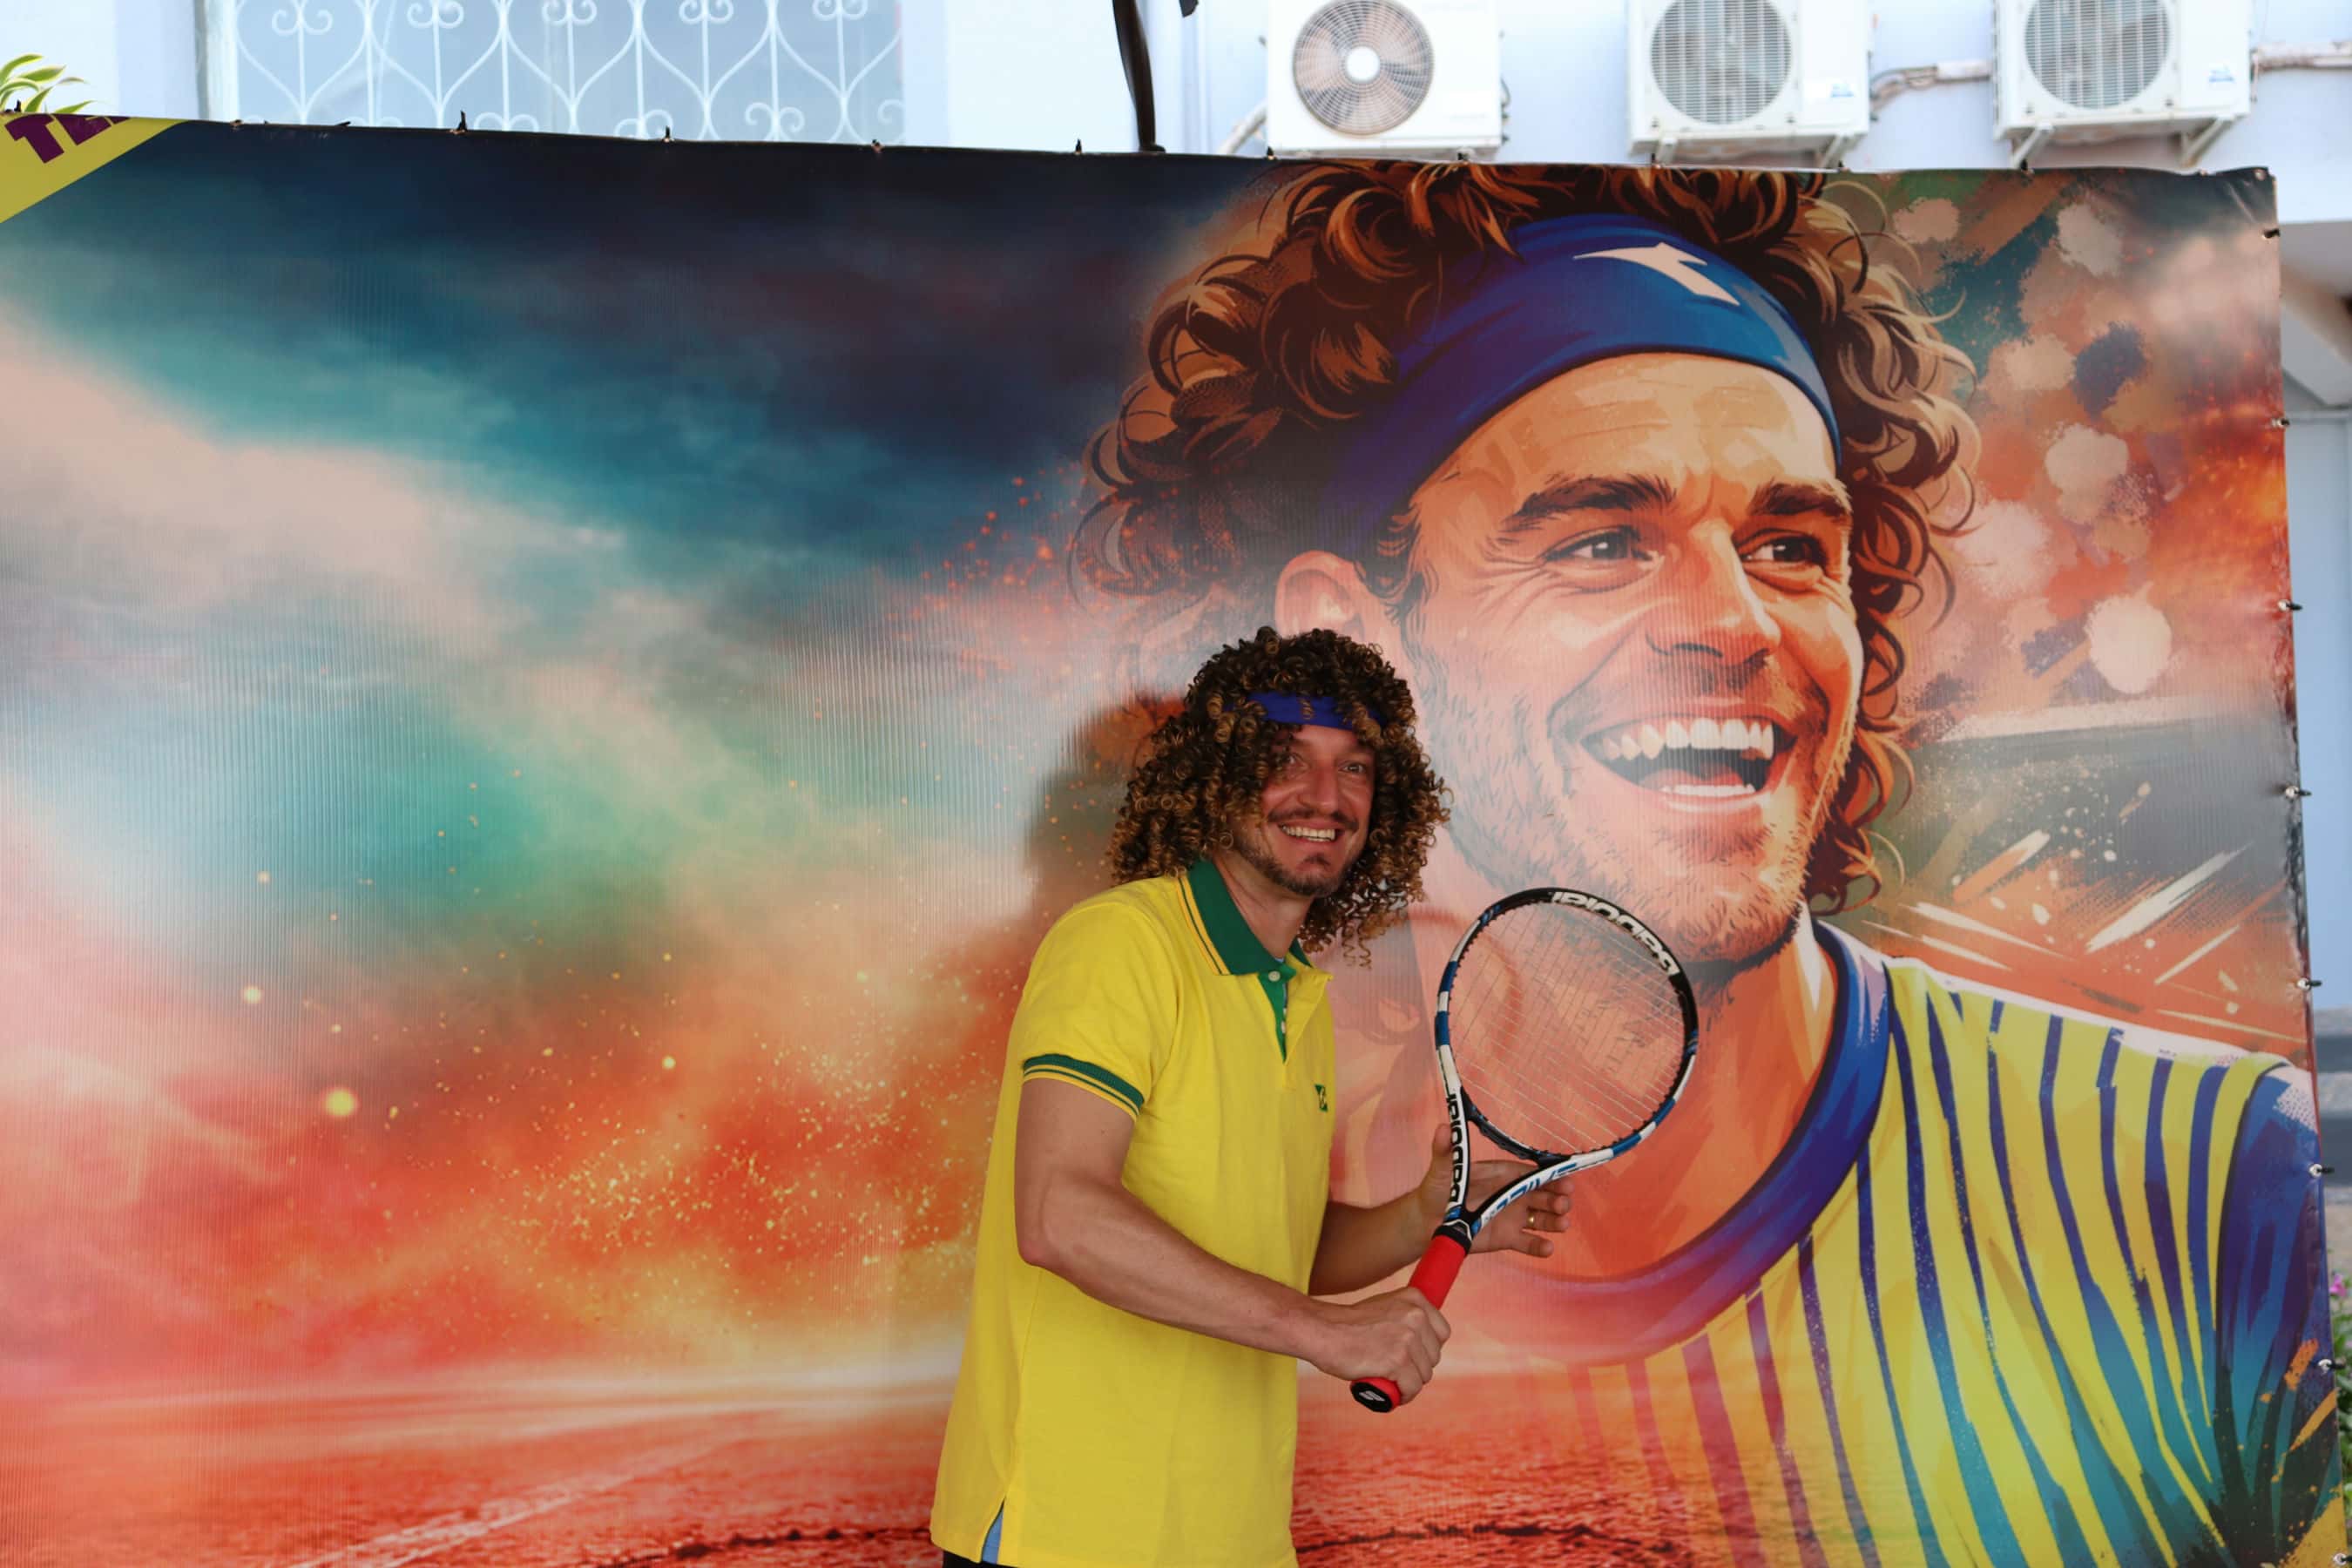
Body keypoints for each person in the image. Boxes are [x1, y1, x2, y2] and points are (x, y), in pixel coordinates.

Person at [1075, 166, 2339, 1564]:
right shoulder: (1230, 1202)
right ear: (1359, 643)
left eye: (1792, 546)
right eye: (1602, 542)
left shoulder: (2205, 1178)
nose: (1736, 623)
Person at [929, 625, 1571, 1568]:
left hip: (1230, 1535)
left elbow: (1270, 1250)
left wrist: (1426, 1213)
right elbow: (1058, 1216)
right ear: (1216, 776)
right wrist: (1325, 1334)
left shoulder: (1298, 999)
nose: (1326, 797)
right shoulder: (1122, 944)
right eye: (1287, 760)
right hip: (1065, 1533)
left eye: (1356, 767)